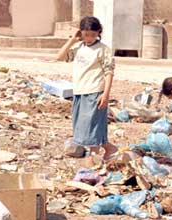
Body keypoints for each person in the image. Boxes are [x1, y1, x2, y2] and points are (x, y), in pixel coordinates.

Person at [57, 16, 117, 158]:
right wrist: (72, 40)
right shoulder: (78, 48)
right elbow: (59, 57)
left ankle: (92, 160)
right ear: (81, 33)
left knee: (92, 127)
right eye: (86, 34)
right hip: (79, 92)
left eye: (93, 35)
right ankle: (110, 149)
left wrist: (106, 94)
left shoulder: (103, 50)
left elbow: (109, 72)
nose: (89, 38)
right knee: (84, 128)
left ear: (99, 33)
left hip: (95, 91)